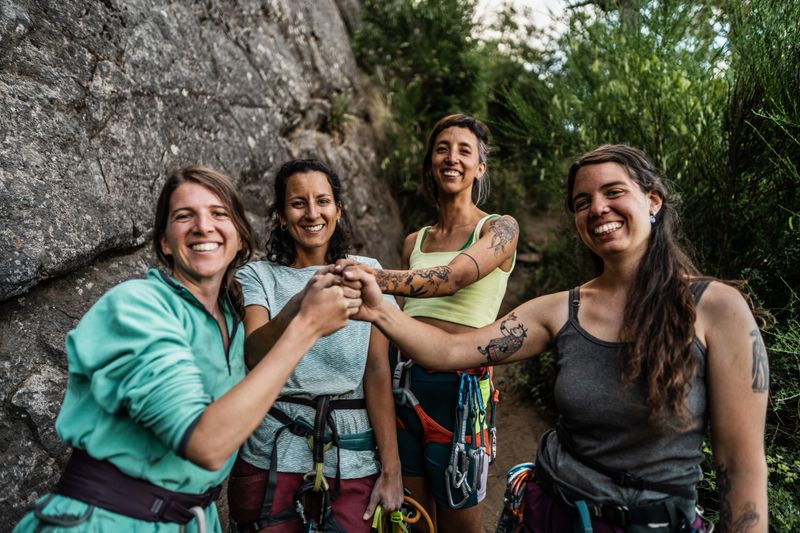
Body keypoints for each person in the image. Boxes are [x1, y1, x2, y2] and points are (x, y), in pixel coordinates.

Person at [346, 144, 769, 532]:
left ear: (652, 201)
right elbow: (451, 350)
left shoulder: (717, 309)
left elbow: (742, 467)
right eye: (582, 202)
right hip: (550, 513)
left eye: (613, 192)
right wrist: (378, 309)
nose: (598, 208)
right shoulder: (561, 309)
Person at [14, 165, 357, 532]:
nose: (203, 226)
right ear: (164, 241)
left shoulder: (227, 320)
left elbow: (254, 366)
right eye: (184, 216)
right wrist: (306, 328)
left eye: (218, 214)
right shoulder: (136, 308)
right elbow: (205, 444)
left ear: (241, 237)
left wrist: (297, 307)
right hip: (108, 519)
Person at [339, 114, 518, 532]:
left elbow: (454, 278)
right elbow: (395, 322)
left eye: (463, 150)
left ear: (480, 167)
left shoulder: (500, 228)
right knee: (417, 525)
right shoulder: (413, 242)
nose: (451, 158)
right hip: (408, 389)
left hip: (462, 394)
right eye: (442, 149)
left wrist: (371, 276)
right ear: (430, 162)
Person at [226, 159, 403, 532]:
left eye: (322, 201)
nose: (312, 213)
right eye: (298, 203)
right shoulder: (258, 276)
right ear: (280, 216)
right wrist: (297, 306)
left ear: (338, 210)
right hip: (272, 448)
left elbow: (376, 372)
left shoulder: (367, 272)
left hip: (352, 452)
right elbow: (254, 354)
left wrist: (392, 469)